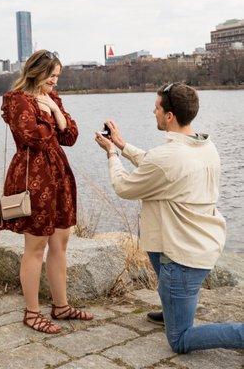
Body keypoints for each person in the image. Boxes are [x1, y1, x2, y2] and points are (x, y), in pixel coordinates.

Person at [95, 83, 244, 353]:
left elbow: (124, 187)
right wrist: (122, 144)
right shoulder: (205, 145)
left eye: (156, 108)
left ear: (169, 116)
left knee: (179, 340)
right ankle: (173, 306)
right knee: (155, 248)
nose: (153, 112)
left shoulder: (168, 157)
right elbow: (155, 163)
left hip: (185, 256)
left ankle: (239, 334)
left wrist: (112, 154)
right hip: (202, 241)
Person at [0, 50, 93, 334]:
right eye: (52, 75)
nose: (55, 80)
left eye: (57, 76)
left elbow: (71, 136)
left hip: (57, 175)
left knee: (60, 243)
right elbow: (35, 137)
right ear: (36, 72)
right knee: (35, 247)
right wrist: (56, 117)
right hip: (33, 177)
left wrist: (53, 110)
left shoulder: (51, 98)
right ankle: (31, 312)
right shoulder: (16, 100)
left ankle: (61, 306)